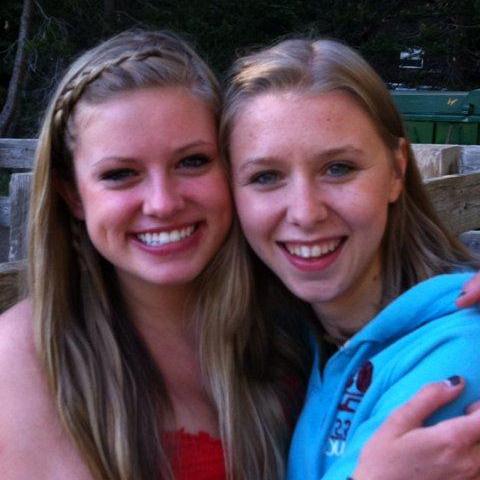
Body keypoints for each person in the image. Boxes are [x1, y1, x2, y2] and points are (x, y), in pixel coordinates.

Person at [0, 29, 480, 480]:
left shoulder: (287, 321)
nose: (163, 203)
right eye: (120, 174)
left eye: (192, 161)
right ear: (72, 194)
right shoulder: (26, 360)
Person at [221, 37, 480, 480]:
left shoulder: (458, 353)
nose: (305, 212)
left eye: (338, 168)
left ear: (397, 170)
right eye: (266, 176)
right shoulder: (293, 333)